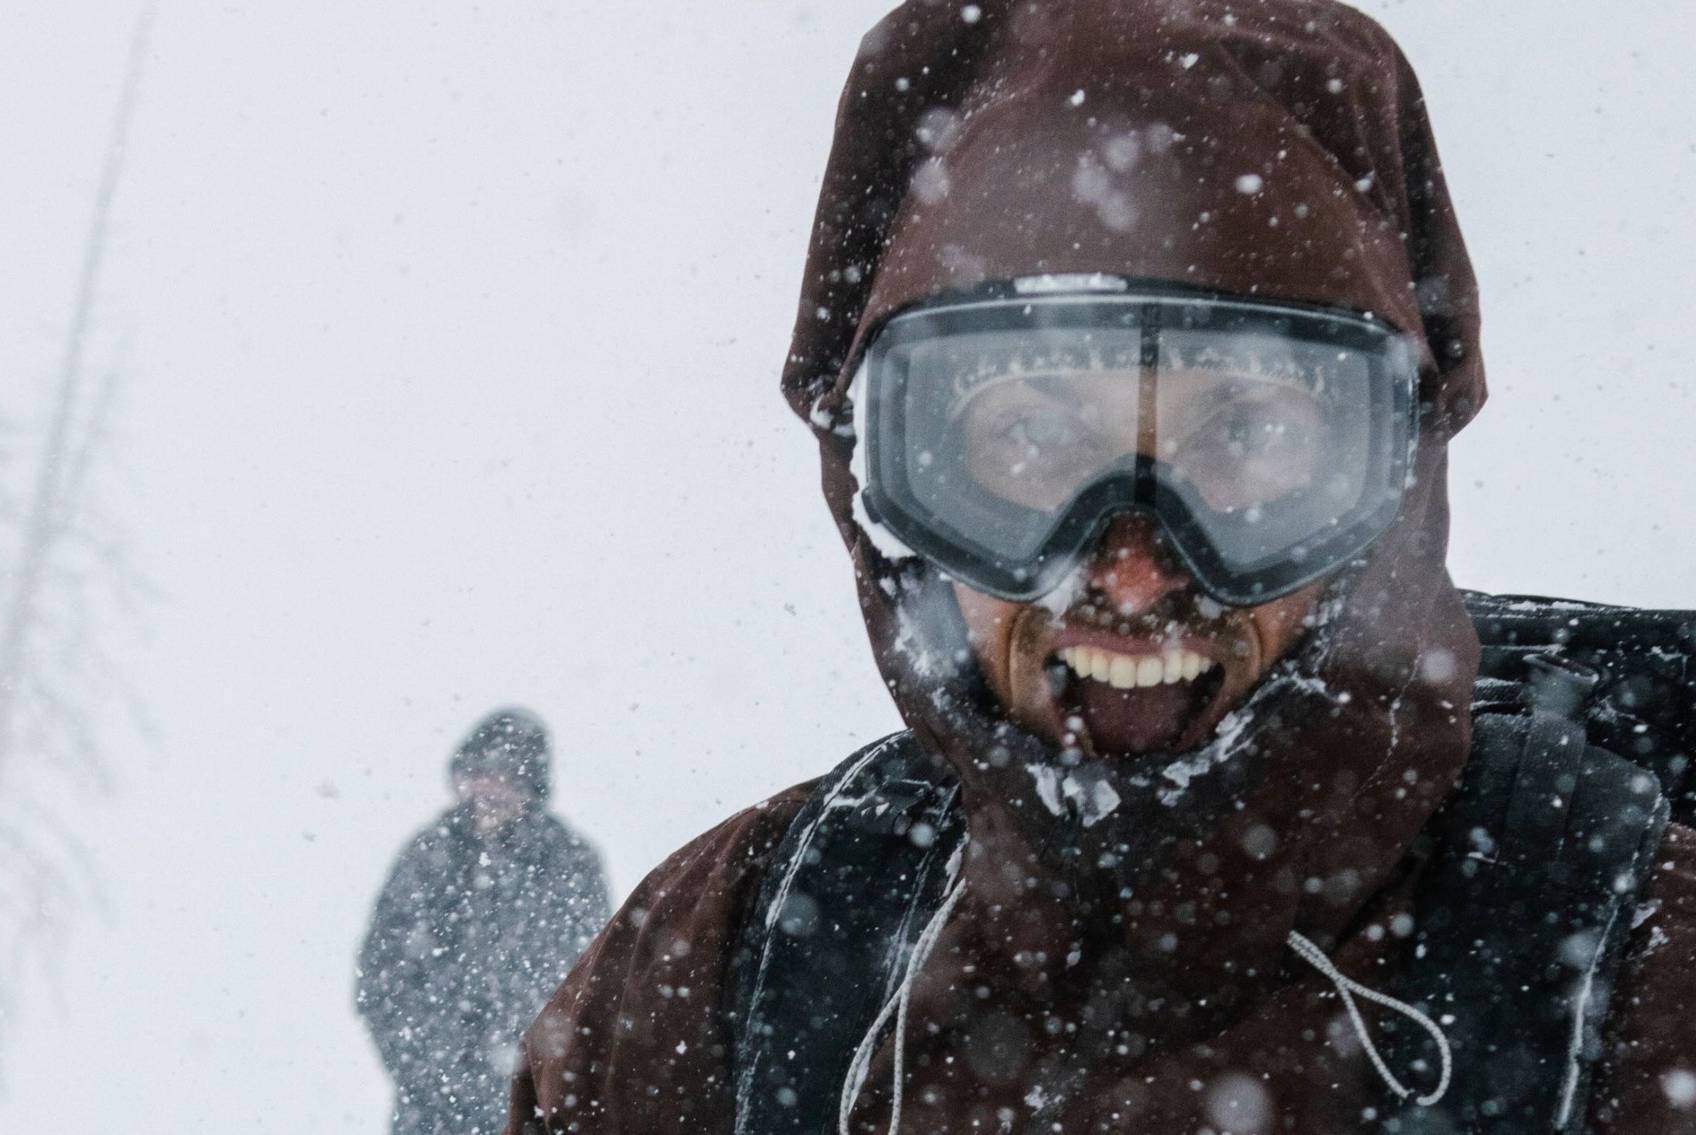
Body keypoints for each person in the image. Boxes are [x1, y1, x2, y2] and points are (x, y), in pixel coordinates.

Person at [503, 2, 1696, 1133]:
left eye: (1251, 438)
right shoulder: (736, 969)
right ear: (882, 483)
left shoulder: (1646, 979)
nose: (1130, 575)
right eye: (1023, 438)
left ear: (1395, 482)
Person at [357, 708, 609, 1135]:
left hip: (534, 1103)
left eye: (504, 775)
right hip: (430, 1107)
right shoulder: (427, 857)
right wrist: (426, 1065)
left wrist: (535, 1068)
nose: (488, 788)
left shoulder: (567, 863)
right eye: (478, 773)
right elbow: (382, 974)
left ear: (530, 785)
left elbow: (589, 979)